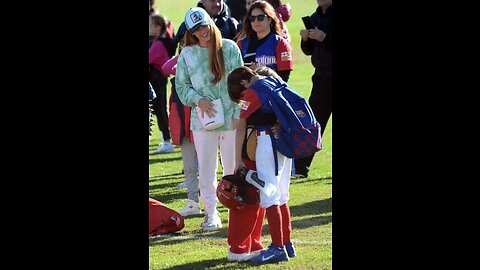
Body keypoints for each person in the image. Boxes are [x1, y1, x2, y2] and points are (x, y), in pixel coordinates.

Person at [175, 7, 243, 231]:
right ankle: (211, 213)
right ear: (191, 32)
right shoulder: (187, 54)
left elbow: (240, 83)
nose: (202, 32)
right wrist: (198, 100)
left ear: (211, 22)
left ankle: (235, 208)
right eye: (196, 30)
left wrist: (236, 115)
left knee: (232, 168)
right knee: (206, 169)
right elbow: (181, 87)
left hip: (231, 119)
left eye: (204, 26)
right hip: (202, 121)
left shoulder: (230, 48)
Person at [227, 66, 296, 264]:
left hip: (267, 142)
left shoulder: (254, 90)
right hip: (283, 143)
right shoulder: (275, 81)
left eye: (241, 94)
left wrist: (238, 160)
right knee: (282, 195)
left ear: (243, 83)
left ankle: (277, 248)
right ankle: (287, 243)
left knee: (269, 195)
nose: (243, 97)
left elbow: (241, 125)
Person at [293, 0, 332, 178]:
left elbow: (325, 41)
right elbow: (309, 51)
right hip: (321, 79)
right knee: (313, 124)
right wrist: (305, 39)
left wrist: (325, 37)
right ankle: (301, 168)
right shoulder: (315, 17)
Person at [162, 48, 201, 217]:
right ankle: (193, 202)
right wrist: (183, 53)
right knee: (190, 167)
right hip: (185, 128)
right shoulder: (177, 78)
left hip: (204, 126)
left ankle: (211, 205)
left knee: (208, 168)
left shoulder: (203, 73)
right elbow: (166, 68)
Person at [237, 0, 293, 83]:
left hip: (272, 92)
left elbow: (284, 79)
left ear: (270, 19)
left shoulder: (281, 44)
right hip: (247, 93)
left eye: (260, 17)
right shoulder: (241, 44)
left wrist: (261, 70)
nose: (256, 21)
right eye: (252, 18)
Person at [149, 14, 176, 154]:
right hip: (160, 80)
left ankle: (167, 141)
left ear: (158, 27)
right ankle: (166, 140)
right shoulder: (163, 41)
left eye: (151, 24)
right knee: (160, 110)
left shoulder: (159, 44)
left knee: (160, 111)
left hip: (157, 81)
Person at [174, 0, 239, 51]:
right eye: (212, 0)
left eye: (219, 0)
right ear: (202, 1)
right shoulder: (188, 26)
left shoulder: (231, 24)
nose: (217, 4)